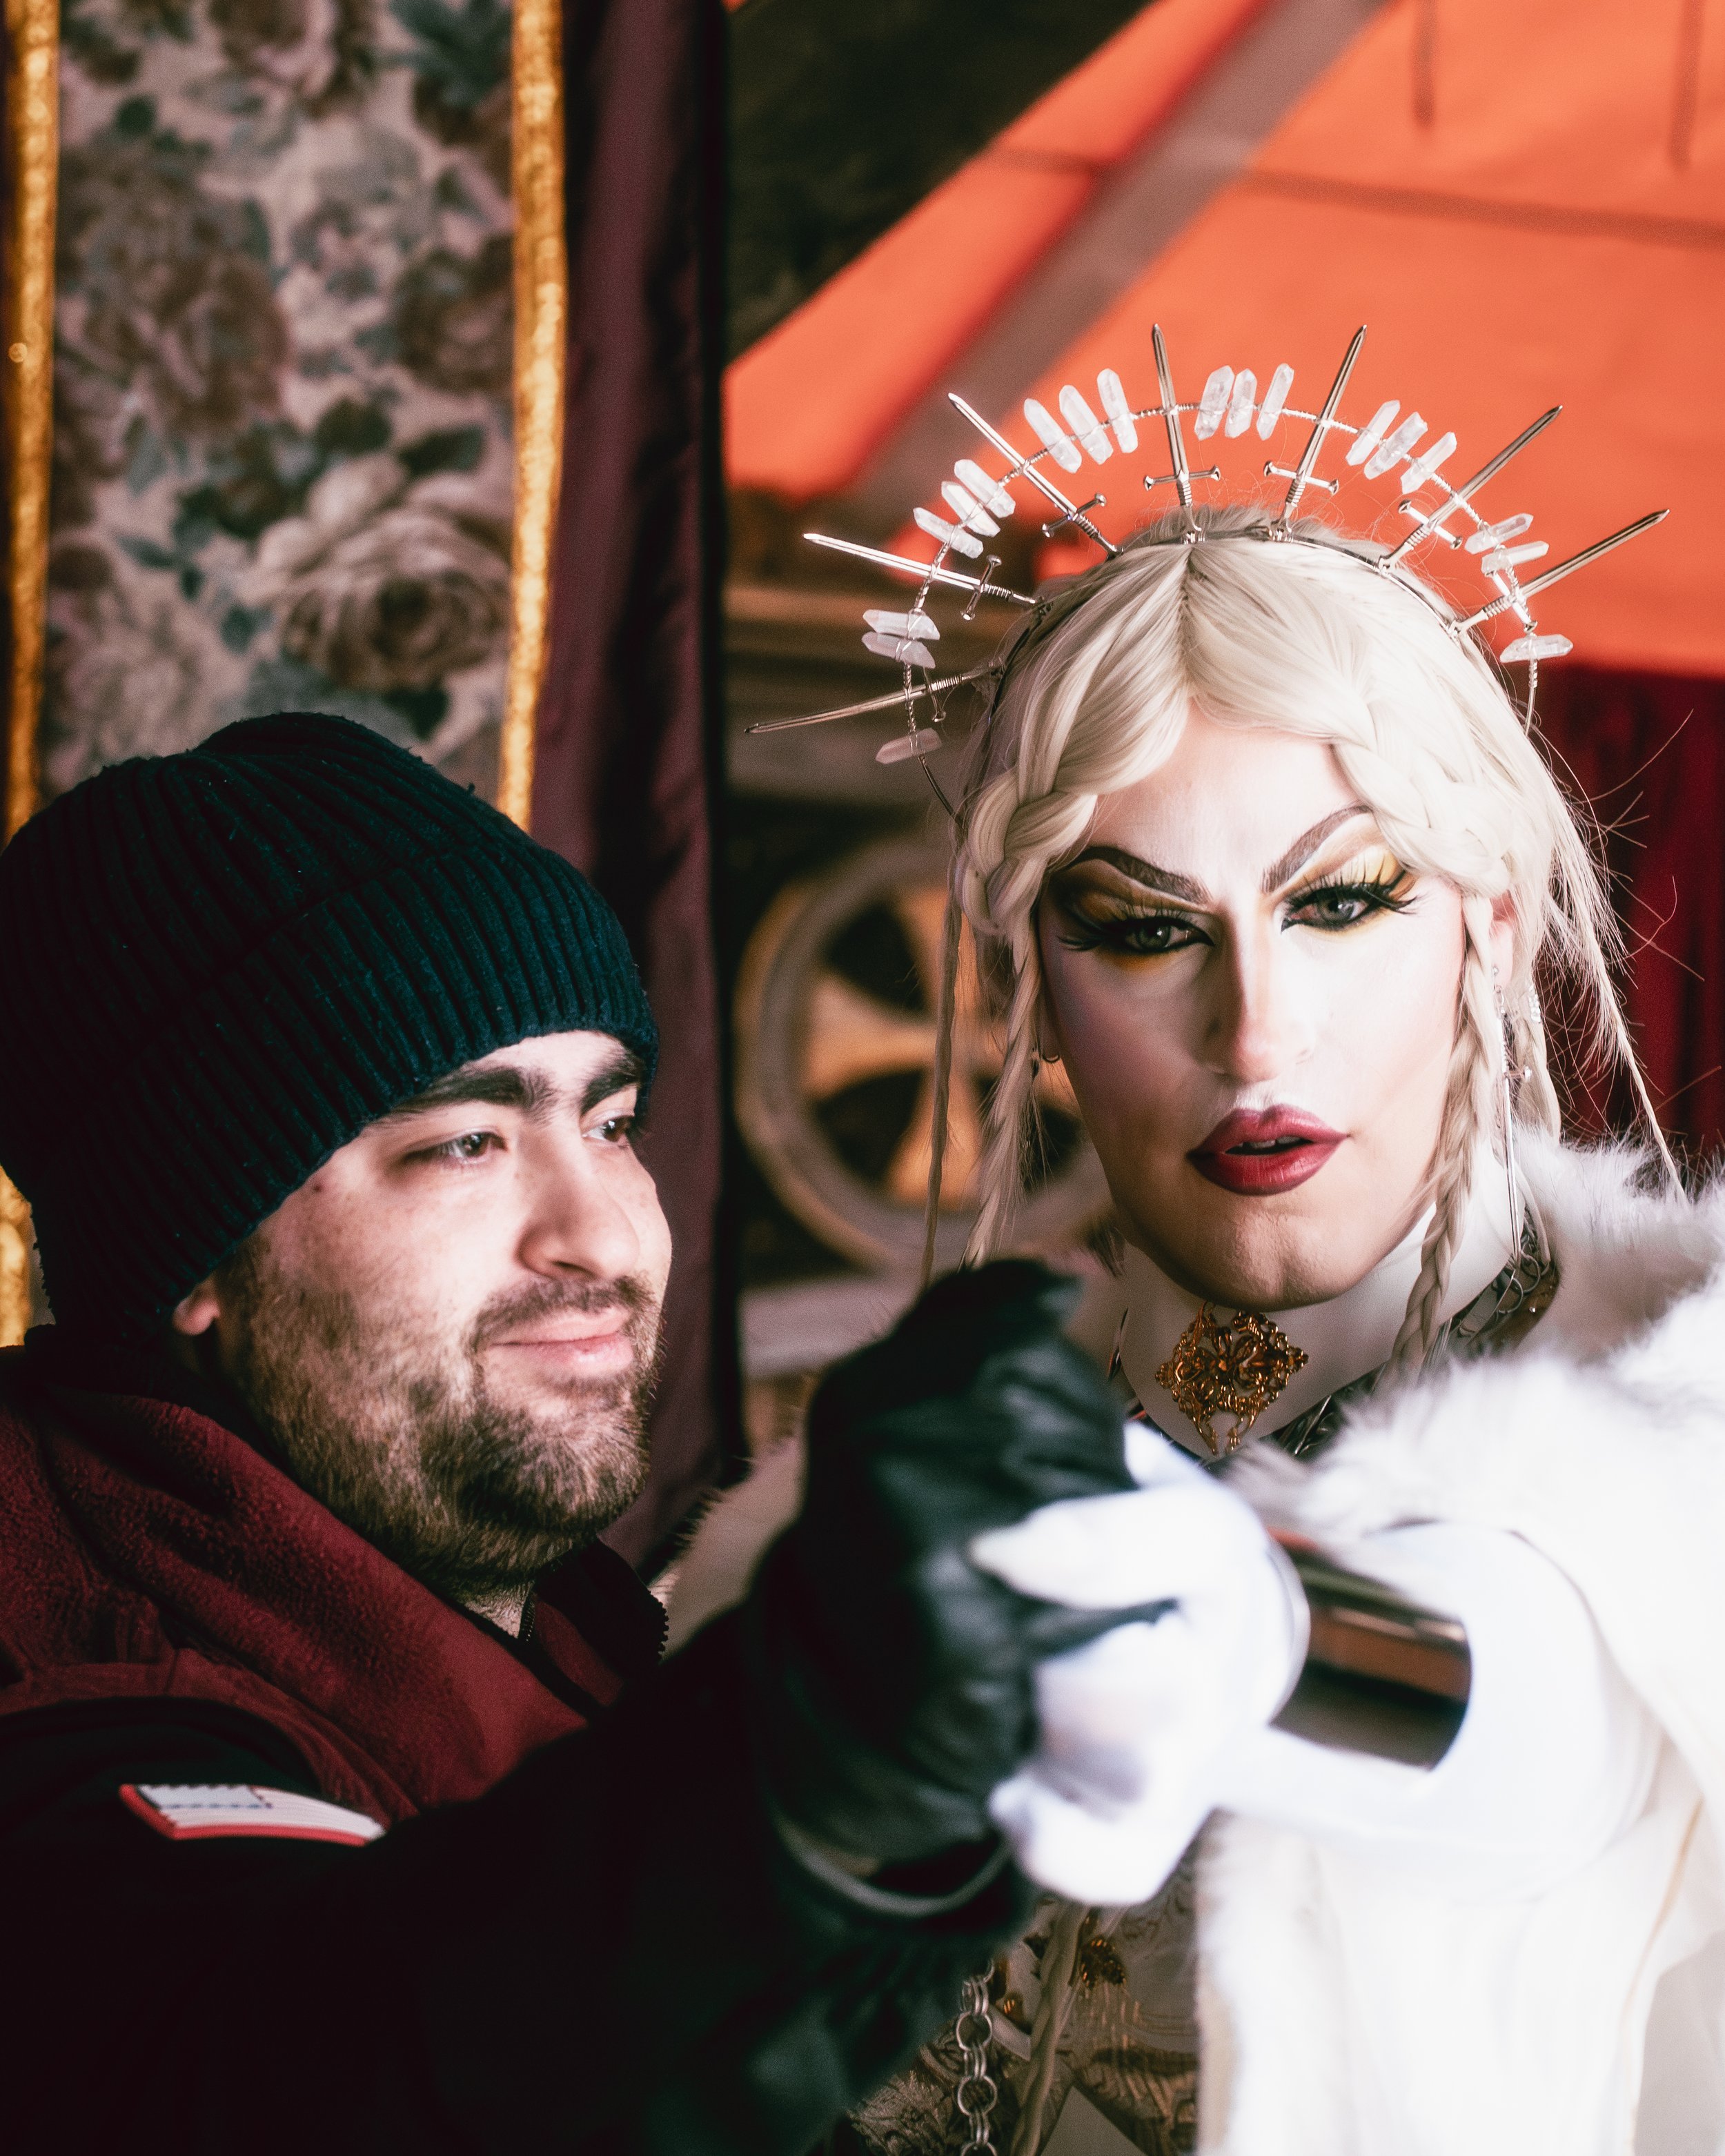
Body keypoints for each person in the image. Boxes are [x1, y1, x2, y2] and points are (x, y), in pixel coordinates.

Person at [0, 710, 1281, 2156]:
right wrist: (807, 1772)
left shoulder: (551, 1618)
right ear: (194, 1256)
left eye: (608, 1121)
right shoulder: (68, 1713)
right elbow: (323, 2067)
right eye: (462, 1144)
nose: (603, 1235)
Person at [685, 496, 1725, 2155]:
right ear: (1033, 980)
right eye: (1146, 929)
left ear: (1493, 925)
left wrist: (1248, 1629)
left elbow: (1564, 1708)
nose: (1254, 1032)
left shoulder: (1672, 1423)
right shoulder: (836, 1518)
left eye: (1338, 902)